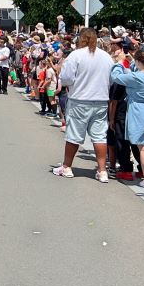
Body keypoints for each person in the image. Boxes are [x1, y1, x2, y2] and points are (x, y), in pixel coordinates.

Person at [52, 29, 113, 182]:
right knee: (99, 136)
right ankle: (102, 170)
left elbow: (66, 78)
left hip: (80, 99)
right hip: (100, 100)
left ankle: (66, 167)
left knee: (74, 135)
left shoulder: (76, 55)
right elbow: (111, 79)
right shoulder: (106, 57)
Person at [110, 49, 144, 187]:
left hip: (139, 110)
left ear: (139, 61)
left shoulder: (136, 77)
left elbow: (116, 76)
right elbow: (140, 69)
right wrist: (134, 61)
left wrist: (120, 62)